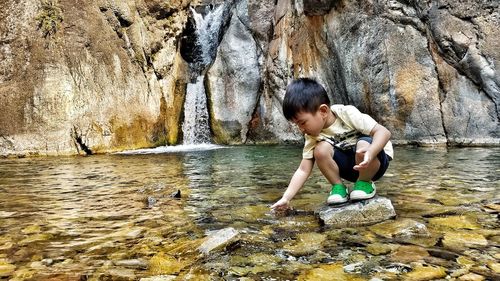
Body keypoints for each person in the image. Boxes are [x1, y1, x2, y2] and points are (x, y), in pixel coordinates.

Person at [271, 78, 393, 210]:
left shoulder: (346, 113)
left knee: (363, 144)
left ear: (323, 111)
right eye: (297, 125)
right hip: (350, 169)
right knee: (320, 150)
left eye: (302, 122)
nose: (301, 129)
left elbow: (383, 132)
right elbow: (303, 169)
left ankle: (365, 182)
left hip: (375, 163)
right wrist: (286, 198)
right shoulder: (312, 135)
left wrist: (371, 151)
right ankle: (338, 187)